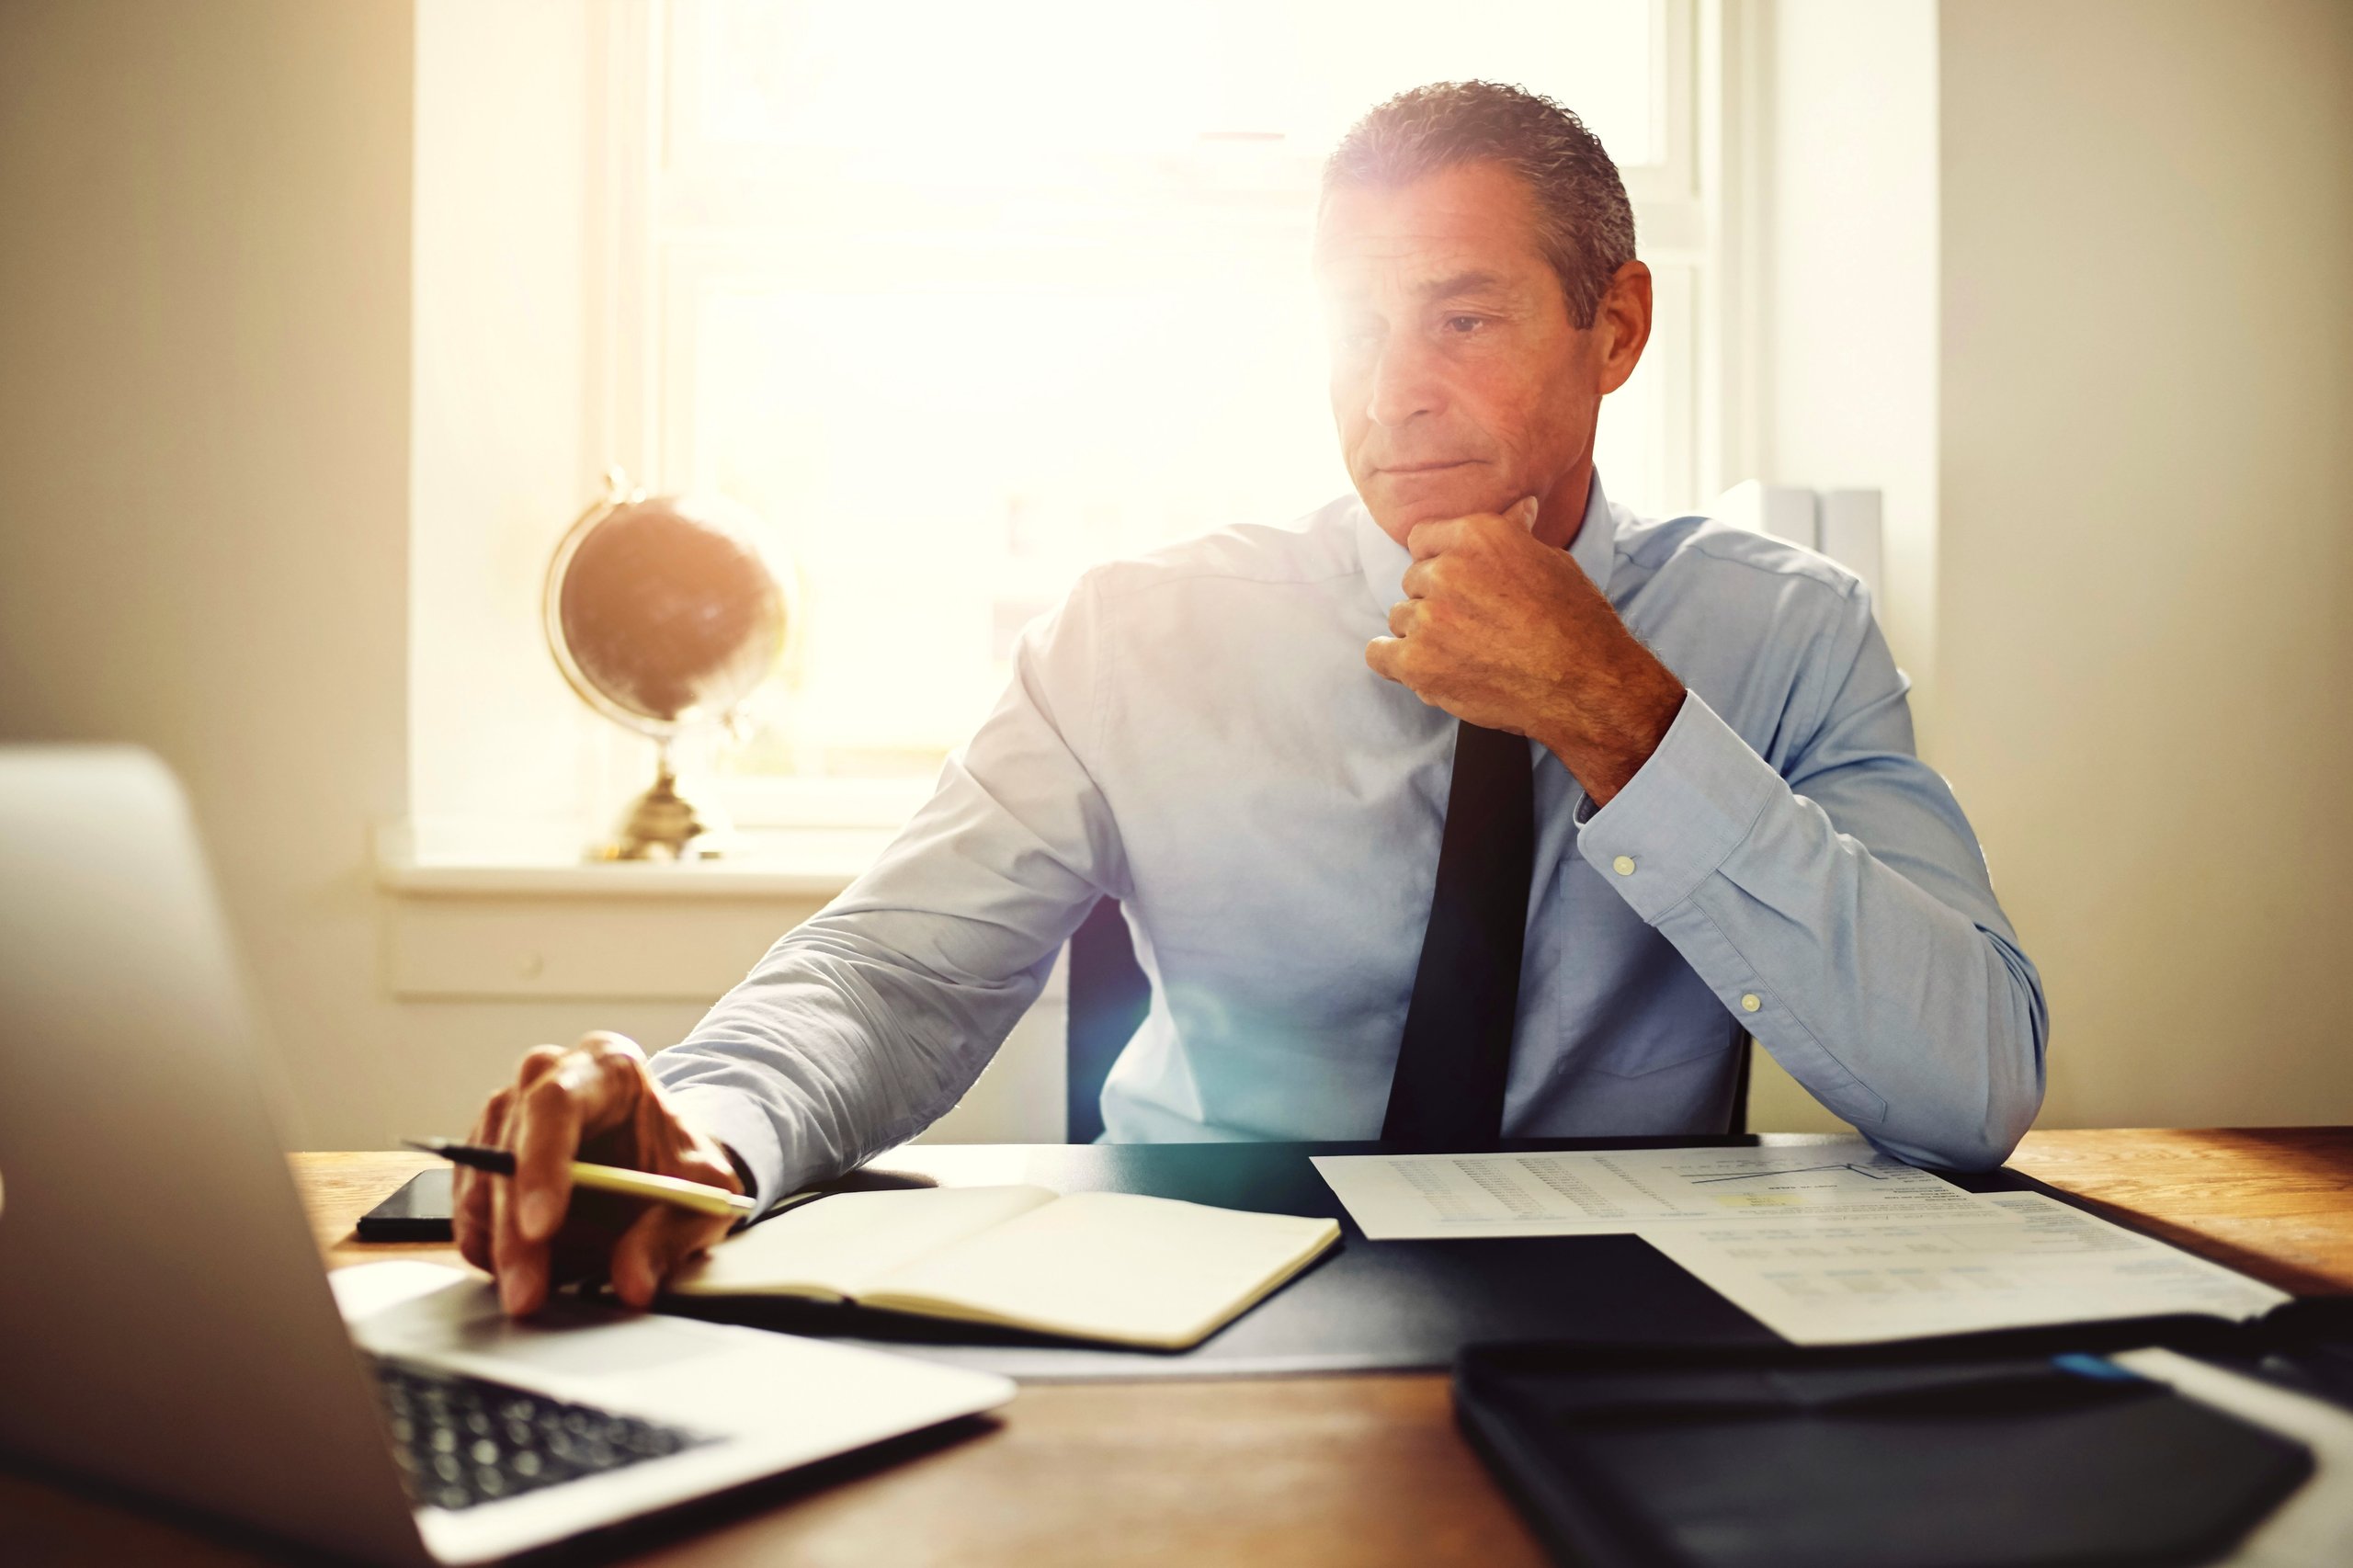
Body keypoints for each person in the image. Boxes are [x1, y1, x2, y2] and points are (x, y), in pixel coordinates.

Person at [458, 81, 2048, 1317]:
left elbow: (1969, 1085)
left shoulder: (1787, 629)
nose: (1391, 388)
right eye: (1354, 325)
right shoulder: (1136, 633)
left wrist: (1623, 715)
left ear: (1615, 326)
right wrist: (701, 1127)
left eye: (1464, 317)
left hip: (1636, 1315)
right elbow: (893, 975)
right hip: (1199, 1295)